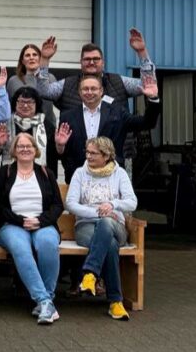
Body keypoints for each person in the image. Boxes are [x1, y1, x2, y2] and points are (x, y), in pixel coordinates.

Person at [0, 132, 64, 325]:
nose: (25, 149)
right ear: (14, 151)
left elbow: (58, 205)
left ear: (35, 150)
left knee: (48, 243)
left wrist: (40, 221)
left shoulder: (45, 173)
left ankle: (46, 302)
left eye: (29, 146)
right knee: (21, 247)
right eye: (20, 146)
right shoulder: (4, 173)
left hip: (43, 224)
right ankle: (44, 300)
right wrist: (21, 220)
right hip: (12, 225)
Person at [65, 136, 138, 321]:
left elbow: (132, 202)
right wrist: (97, 213)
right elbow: (71, 204)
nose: (88, 156)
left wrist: (112, 205)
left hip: (116, 225)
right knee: (110, 245)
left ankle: (89, 273)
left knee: (107, 225)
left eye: (93, 153)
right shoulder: (80, 174)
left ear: (106, 156)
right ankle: (115, 302)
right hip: (86, 226)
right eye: (87, 152)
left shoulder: (119, 173)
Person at [55, 74, 161, 182]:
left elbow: (147, 123)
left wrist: (153, 99)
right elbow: (63, 152)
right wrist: (60, 146)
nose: (89, 92)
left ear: (101, 91)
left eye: (93, 88)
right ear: (79, 92)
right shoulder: (67, 116)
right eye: (85, 89)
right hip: (78, 178)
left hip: (111, 178)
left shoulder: (117, 112)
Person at [36, 30, 157, 112]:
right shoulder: (67, 84)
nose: (92, 62)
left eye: (96, 59)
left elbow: (148, 85)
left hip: (115, 149)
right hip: (79, 149)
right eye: (87, 59)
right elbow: (43, 91)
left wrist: (142, 52)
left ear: (103, 62)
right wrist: (45, 59)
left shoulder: (119, 82)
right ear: (81, 62)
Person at [0, 87, 55, 174]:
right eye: (21, 102)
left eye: (29, 102)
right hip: (9, 174)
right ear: (14, 103)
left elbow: (55, 155)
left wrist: (60, 145)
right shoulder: (5, 124)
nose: (25, 105)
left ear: (37, 104)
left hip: (40, 175)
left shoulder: (46, 125)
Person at [7, 43, 58, 136]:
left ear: (40, 58)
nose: (31, 58)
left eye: (35, 55)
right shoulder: (13, 81)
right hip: (20, 130)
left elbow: (59, 103)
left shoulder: (50, 78)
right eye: (27, 55)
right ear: (22, 61)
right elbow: (9, 109)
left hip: (47, 129)